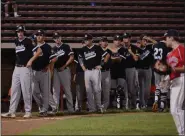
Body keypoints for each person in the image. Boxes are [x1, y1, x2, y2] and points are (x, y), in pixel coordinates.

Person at [156, 29, 184, 136]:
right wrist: (165, 79)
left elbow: (180, 68)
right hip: (174, 81)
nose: (165, 41)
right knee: (176, 109)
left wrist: (172, 69)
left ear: (172, 38)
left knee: (176, 109)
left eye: (166, 38)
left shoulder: (181, 50)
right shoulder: (169, 54)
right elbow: (169, 70)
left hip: (181, 79)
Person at [1, 25, 33, 118]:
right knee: (14, 89)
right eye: (18, 31)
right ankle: (12, 111)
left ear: (24, 32)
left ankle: (28, 111)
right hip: (17, 68)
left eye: (21, 31)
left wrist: (30, 61)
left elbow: (34, 53)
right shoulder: (15, 41)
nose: (20, 33)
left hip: (25, 68)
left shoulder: (28, 41)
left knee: (26, 90)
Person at [79, 34, 109, 113]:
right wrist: (83, 67)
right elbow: (80, 58)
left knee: (97, 90)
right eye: (85, 39)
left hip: (95, 70)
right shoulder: (83, 49)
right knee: (88, 91)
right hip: (87, 71)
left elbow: (106, 55)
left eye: (88, 39)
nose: (86, 41)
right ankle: (92, 108)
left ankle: (99, 107)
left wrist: (101, 65)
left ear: (91, 39)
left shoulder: (97, 48)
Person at [31, 29, 57, 117]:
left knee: (45, 92)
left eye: (41, 35)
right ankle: (42, 106)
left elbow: (54, 59)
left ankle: (45, 110)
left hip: (44, 71)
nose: (39, 36)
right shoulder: (33, 46)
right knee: (34, 91)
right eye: (37, 35)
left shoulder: (47, 47)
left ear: (44, 36)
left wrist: (49, 67)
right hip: (34, 71)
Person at [49, 32, 74, 113]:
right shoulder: (53, 49)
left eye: (58, 37)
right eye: (55, 38)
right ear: (53, 39)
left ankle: (71, 109)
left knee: (67, 90)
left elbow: (71, 57)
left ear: (61, 37)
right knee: (55, 90)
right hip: (56, 71)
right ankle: (55, 109)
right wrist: (52, 71)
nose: (57, 39)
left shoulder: (66, 46)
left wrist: (64, 65)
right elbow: (51, 62)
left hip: (64, 70)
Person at [135, 35, 155, 109]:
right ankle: (142, 104)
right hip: (139, 69)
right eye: (144, 40)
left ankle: (145, 103)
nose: (145, 42)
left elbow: (157, 44)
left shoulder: (149, 48)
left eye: (146, 41)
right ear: (140, 41)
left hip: (148, 69)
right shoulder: (137, 49)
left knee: (147, 89)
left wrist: (149, 38)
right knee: (140, 88)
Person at [110, 34, 128, 109]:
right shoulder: (110, 49)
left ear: (121, 41)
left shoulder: (123, 50)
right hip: (113, 72)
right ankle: (114, 106)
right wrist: (113, 58)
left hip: (121, 72)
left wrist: (112, 57)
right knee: (113, 91)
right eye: (116, 40)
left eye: (119, 40)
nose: (117, 41)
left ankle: (124, 106)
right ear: (113, 41)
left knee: (121, 90)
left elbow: (119, 60)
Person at [99, 36, 112, 110]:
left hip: (107, 72)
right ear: (100, 42)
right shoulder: (97, 50)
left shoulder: (109, 51)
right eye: (103, 41)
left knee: (106, 91)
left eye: (106, 41)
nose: (104, 42)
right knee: (98, 90)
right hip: (99, 72)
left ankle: (104, 107)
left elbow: (110, 62)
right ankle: (98, 106)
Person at [73, 41, 86, 112]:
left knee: (90, 91)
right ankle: (78, 107)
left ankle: (90, 107)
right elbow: (76, 66)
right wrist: (75, 75)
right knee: (79, 91)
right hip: (80, 73)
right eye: (83, 43)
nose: (84, 44)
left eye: (85, 43)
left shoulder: (91, 52)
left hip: (89, 72)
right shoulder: (79, 52)